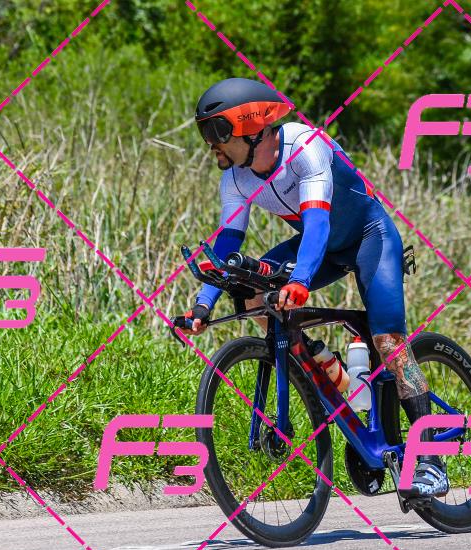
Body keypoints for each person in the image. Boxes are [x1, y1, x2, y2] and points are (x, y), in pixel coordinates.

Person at [177, 77, 448, 499]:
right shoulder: (235, 179)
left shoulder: (305, 146)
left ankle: (430, 460)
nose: (211, 144)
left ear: (253, 128)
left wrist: (300, 281)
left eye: (218, 132)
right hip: (318, 246)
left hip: (369, 238)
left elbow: (318, 222)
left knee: (389, 342)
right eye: (205, 133)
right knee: (250, 289)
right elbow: (227, 244)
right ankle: (324, 364)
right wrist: (202, 306)